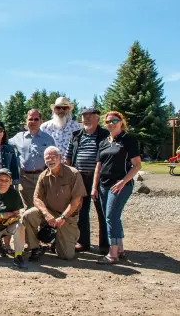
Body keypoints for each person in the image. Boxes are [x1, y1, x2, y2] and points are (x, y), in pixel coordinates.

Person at [92, 111, 141, 265]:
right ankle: (120, 249)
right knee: (113, 217)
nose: (111, 124)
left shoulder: (128, 140)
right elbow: (98, 167)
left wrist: (123, 182)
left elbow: (137, 165)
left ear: (121, 122)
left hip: (120, 185)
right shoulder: (103, 142)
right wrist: (94, 187)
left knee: (111, 216)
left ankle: (112, 254)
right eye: (108, 121)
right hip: (103, 185)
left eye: (114, 121)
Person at [22, 146, 86, 261]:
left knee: (67, 256)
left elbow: (77, 200)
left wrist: (63, 217)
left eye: (53, 157)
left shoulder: (73, 173)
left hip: (67, 216)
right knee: (28, 215)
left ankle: (63, 238)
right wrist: (47, 215)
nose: (50, 160)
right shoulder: (43, 176)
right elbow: (36, 198)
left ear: (60, 157)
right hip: (50, 213)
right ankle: (35, 247)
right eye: (47, 158)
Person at [65, 107, 109, 254]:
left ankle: (105, 245)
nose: (86, 119)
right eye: (84, 116)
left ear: (97, 118)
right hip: (80, 178)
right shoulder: (76, 135)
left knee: (102, 211)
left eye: (90, 116)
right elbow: (68, 157)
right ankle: (83, 242)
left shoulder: (105, 135)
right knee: (81, 211)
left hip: (100, 178)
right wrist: (68, 176)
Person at [9, 109, 55, 208]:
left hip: (44, 177)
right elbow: (3, 143)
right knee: (30, 208)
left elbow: (55, 158)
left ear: (41, 121)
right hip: (25, 179)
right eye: (30, 119)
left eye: (36, 119)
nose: (33, 122)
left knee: (44, 206)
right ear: (26, 121)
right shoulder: (18, 137)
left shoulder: (48, 139)